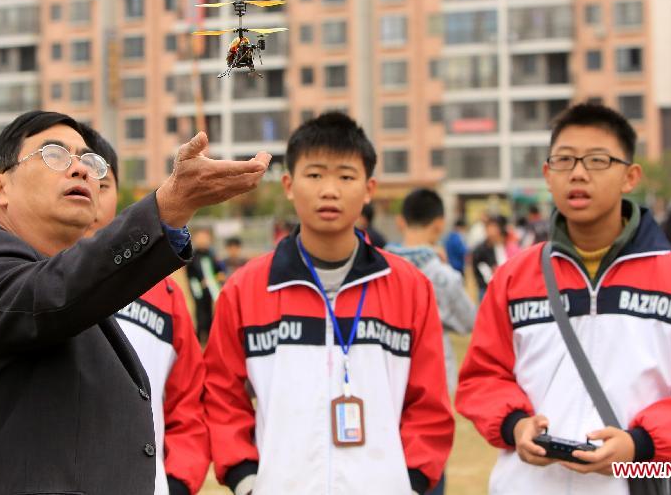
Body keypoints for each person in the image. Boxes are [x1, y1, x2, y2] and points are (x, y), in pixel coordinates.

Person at [0, 111, 270, 495]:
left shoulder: (91, 294)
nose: (81, 171)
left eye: (90, 162)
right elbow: (52, 295)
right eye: (54, 154)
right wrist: (167, 208)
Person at [455, 104, 671, 494]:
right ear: (547, 174)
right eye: (564, 160)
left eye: (597, 160)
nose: (578, 173)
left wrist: (639, 443)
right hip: (528, 484)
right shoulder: (514, 277)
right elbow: (482, 378)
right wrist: (515, 425)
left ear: (630, 177)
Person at [203, 112, 454, 495]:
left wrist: (412, 482)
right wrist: (246, 479)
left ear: (369, 189)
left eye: (346, 176)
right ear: (288, 184)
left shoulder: (410, 288)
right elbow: (222, 395)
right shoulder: (245, 289)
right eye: (315, 175)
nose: (330, 190)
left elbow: (429, 404)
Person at [84, 127, 211, 495]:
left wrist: (176, 484)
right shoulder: (19, 283)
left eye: (102, 184)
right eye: (74, 182)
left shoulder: (163, 292)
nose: (89, 195)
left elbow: (189, 404)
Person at [385, 188, 477, 495]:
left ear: (400, 221)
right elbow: (469, 321)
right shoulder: (442, 275)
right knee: (428, 462)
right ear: (439, 224)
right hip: (430, 386)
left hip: (382, 385)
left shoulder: (377, 267)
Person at [186, 227, 224, 343]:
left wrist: (216, 279)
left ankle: (209, 333)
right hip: (197, 287)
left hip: (210, 287)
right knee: (199, 311)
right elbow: (190, 272)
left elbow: (218, 270)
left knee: (210, 309)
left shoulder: (212, 255)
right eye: (200, 238)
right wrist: (199, 283)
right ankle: (199, 334)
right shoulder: (193, 255)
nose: (203, 240)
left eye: (205, 238)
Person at [470, 215, 518, 301]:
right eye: (489, 228)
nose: (491, 232)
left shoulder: (505, 246)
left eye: (494, 228)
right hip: (486, 289)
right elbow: (482, 272)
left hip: (505, 288)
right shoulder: (480, 250)